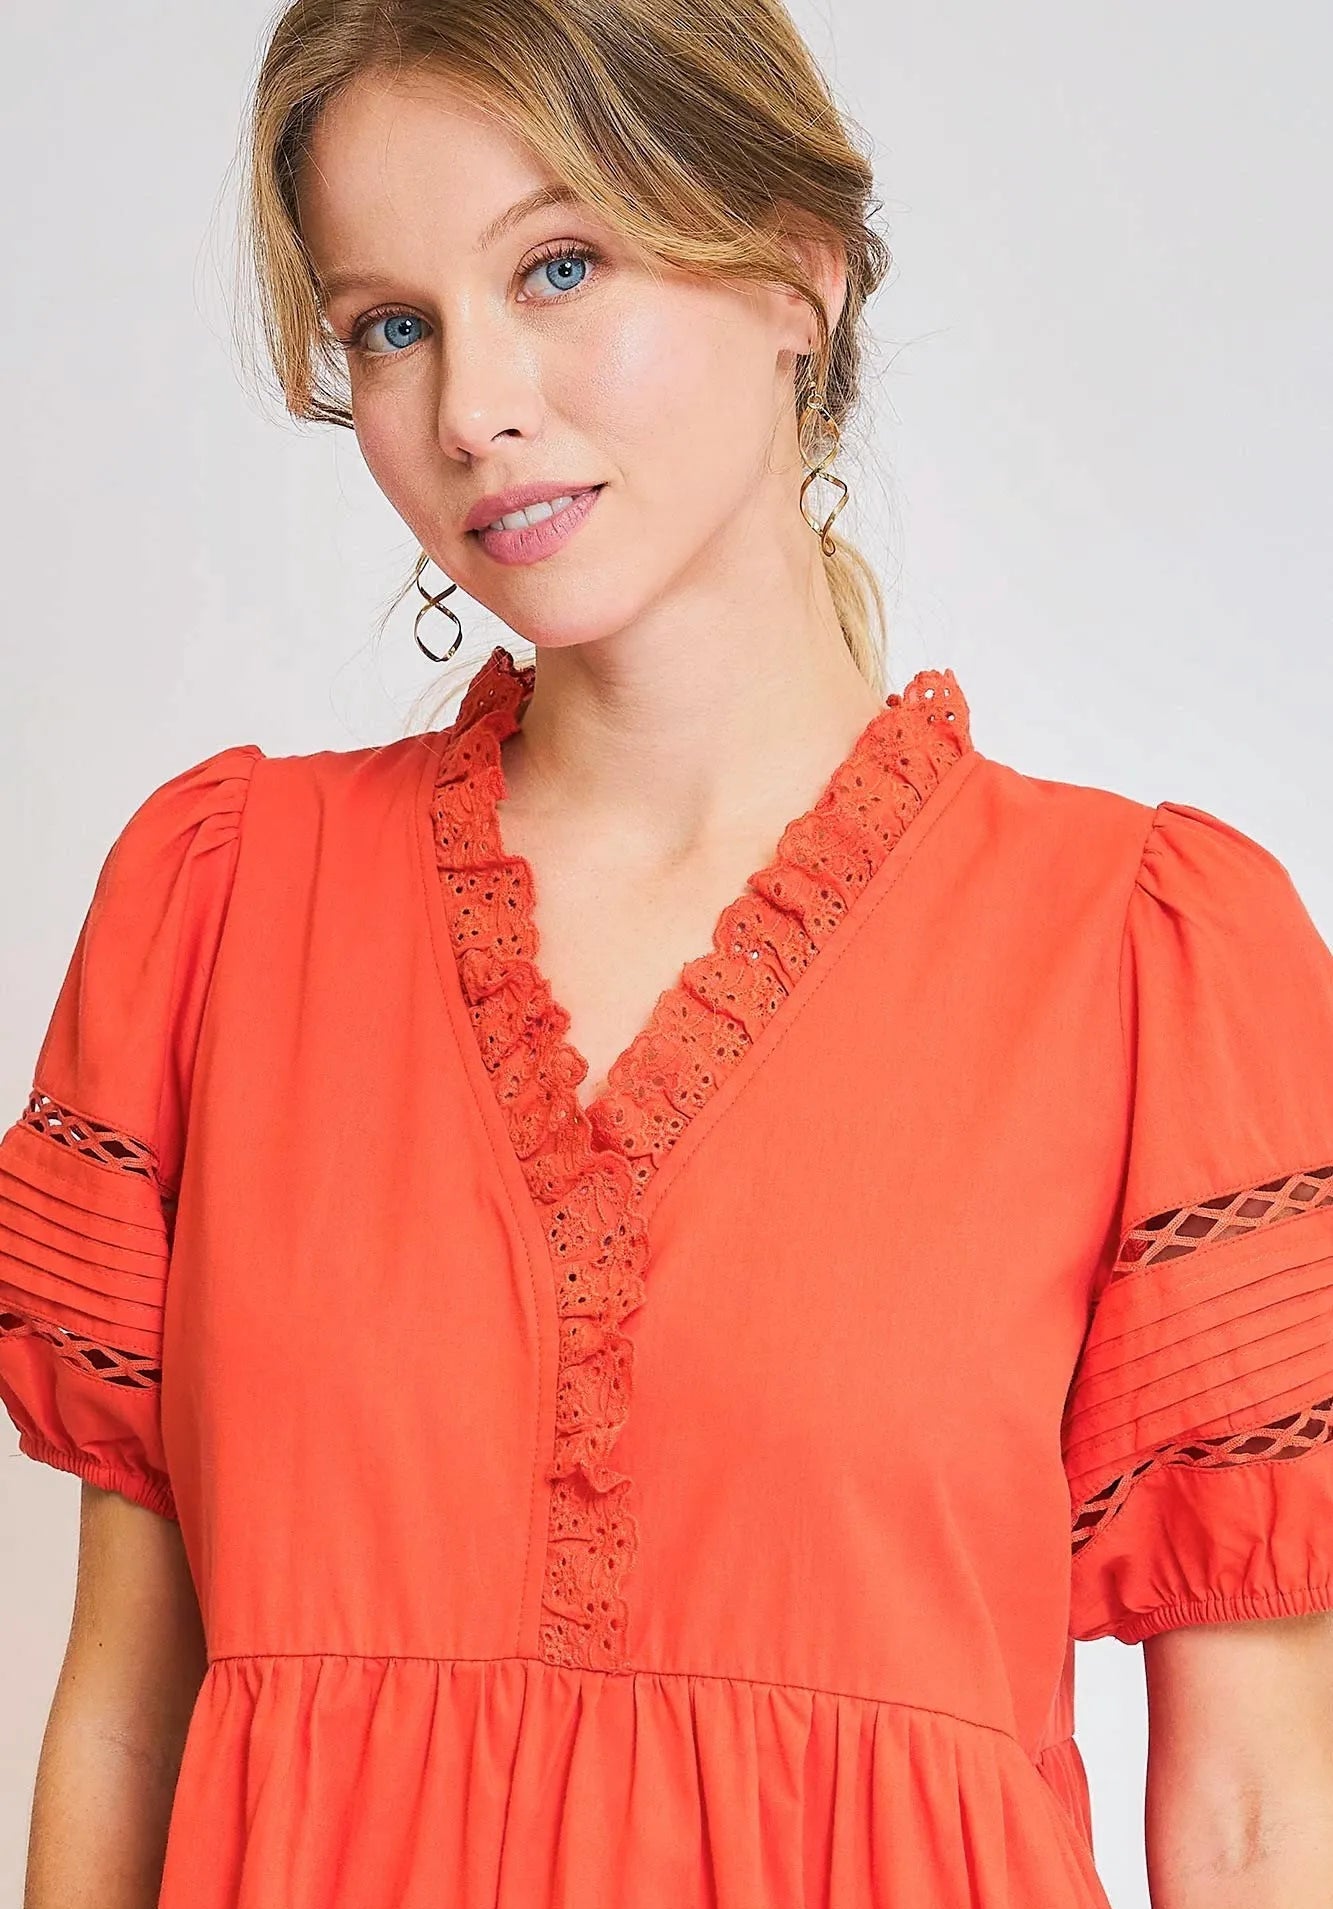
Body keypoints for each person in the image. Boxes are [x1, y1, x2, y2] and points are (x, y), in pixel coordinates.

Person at [3, 0, 1332, 1904]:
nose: (471, 407)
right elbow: (125, 1719)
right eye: (391, 325)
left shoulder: (1144, 960)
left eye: (558, 267)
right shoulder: (217, 907)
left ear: (797, 272)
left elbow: (1259, 1815)